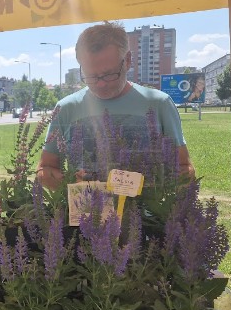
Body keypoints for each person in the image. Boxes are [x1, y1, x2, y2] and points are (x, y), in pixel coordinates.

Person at [37, 22, 195, 189]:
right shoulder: (66, 108)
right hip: (86, 212)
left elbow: (185, 168)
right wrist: (70, 182)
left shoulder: (159, 104)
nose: (100, 84)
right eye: (91, 76)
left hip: (148, 214)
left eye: (109, 74)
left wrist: (156, 184)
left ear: (127, 60)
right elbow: (44, 169)